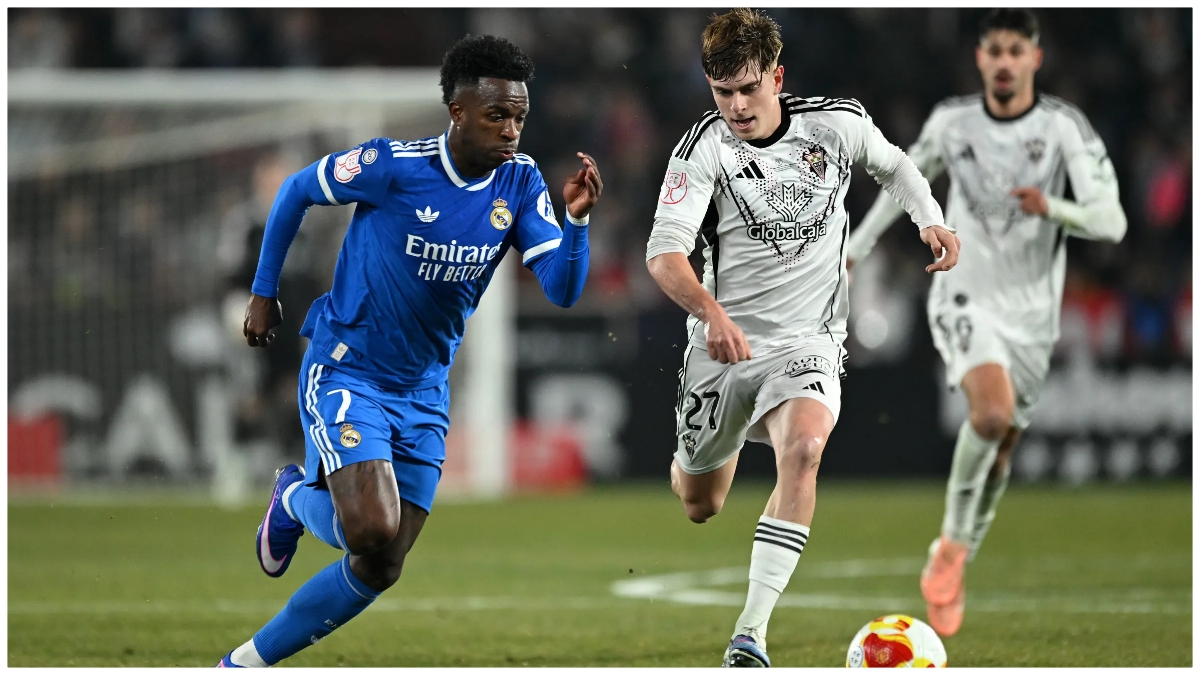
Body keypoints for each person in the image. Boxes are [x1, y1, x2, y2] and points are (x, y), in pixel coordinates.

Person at [218, 34, 603, 667]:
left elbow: (561, 287)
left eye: (519, 117)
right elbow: (294, 192)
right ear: (458, 112)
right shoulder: (392, 165)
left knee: (382, 562)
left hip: (424, 389)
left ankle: (246, 657)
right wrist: (262, 295)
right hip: (350, 370)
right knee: (368, 526)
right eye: (497, 115)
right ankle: (290, 502)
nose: (512, 130)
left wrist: (578, 224)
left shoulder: (520, 180)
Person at [644, 8, 958, 667]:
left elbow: (896, 166)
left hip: (808, 341)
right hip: (721, 346)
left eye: (748, 90)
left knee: (807, 447)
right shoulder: (702, 148)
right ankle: (699, 454)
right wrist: (712, 313)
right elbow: (664, 257)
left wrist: (930, 219)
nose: (735, 106)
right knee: (701, 501)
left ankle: (748, 635)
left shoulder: (836, 125)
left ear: (777, 78)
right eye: (721, 91)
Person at [846, 8, 1127, 638]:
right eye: (993, 50)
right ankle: (948, 549)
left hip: (1032, 312)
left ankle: (959, 550)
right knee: (992, 415)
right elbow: (900, 179)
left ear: (1034, 58)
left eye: (1014, 51)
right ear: (980, 58)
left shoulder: (1062, 130)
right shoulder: (953, 122)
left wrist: (1053, 206)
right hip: (962, 290)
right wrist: (855, 250)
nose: (1003, 62)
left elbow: (1112, 223)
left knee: (1002, 450)